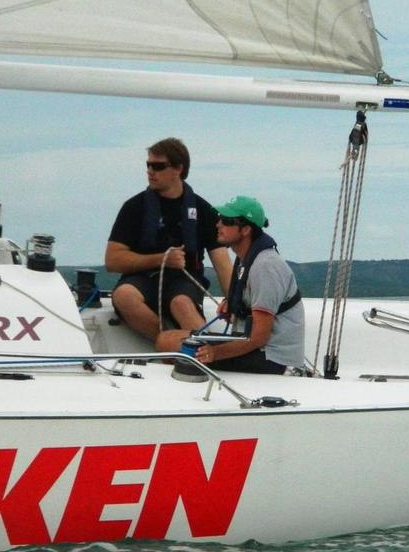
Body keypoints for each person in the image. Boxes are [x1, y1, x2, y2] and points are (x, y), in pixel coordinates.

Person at [157, 195, 305, 375]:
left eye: (226, 221)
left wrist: (215, 353)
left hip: (273, 358)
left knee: (172, 344)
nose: (218, 224)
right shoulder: (247, 259)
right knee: (166, 340)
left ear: (245, 230)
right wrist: (234, 307)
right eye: (220, 219)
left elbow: (259, 338)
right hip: (258, 349)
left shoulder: (265, 267)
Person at [105, 137, 232, 341]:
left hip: (185, 281)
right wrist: (161, 259)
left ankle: (213, 355)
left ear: (178, 169)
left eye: (158, 166)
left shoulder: (203, 211)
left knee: (181, 303)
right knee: (124, 295)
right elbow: (112, 261)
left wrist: (234, 303)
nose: (150, 171)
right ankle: (166, 341)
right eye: (148, 165)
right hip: (142, 279)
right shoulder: (134, 208)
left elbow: (222, 262)